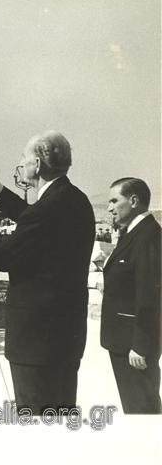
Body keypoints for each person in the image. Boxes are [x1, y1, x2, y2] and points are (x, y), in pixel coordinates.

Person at [0, 130, 95, 414]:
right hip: (63, 338)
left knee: (37, 423)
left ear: (37, 162)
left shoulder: (48, 208)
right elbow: (31, 217)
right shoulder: (74, 199)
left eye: (23, 158)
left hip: (36, 344)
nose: (21, 164)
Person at [100, 177, 161, 414]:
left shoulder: (148, 236)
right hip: (124, 341)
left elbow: (150, 295)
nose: (110, 207)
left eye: (115, 200)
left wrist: (141, 344)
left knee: (142, 409)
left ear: (134, 201)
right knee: (136, 406)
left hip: (133, 346)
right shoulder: (133, 233)